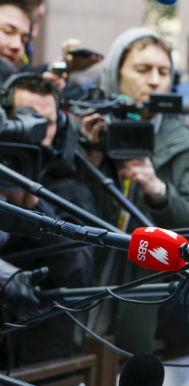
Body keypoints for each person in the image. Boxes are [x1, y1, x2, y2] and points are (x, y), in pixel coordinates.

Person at [76, 27, 189, 358]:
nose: (154, 81)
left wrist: (158, 190)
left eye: (163, 72)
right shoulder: (85, 127)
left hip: (144, 297)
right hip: (85, 285)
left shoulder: (183, 141)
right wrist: (88, 157)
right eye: (142, 69)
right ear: (114, 73)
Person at [0, 73, 95, 366]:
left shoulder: (72, 187)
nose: (38, 133)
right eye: (28, 118)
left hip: (40, 351)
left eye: (48, 123)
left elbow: (81, 270)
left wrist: (34, 206)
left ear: (61, 125)